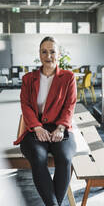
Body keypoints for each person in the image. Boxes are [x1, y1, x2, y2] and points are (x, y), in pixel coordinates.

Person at [14, 36, 77, 206]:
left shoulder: (68, 77)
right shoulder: (29, 79)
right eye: (44, 52)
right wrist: (36, 127)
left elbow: (70, 105)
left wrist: (61, 128)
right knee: (38, 157)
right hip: (36, 128)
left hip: (60, 128)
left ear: (59, 54)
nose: (48, 55)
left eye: (52, 51)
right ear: (39, 54)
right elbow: (25, 105)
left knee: (64, 158)